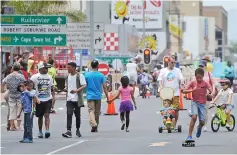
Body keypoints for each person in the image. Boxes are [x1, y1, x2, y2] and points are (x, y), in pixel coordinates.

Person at [183, 68, 212, 140]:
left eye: (200, 77)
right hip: (194, 102)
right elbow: (184, 91)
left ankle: (199, 127)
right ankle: (189, 136)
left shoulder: (205, 83)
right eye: (197, 77)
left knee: (202, 121)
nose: (199, 79)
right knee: (194, 117)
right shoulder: (192, 82)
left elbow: (210, 89)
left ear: (203, 76)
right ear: (195, 76)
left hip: (202, 104)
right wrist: (192, 90)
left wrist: (209, 94)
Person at [158, 56, 184, 131]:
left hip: (175, 93)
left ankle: (174, 125)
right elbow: (160, 80)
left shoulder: (177, 70)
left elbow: (181, 78)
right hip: (166, 94)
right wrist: (161, 87)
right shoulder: (163, 71)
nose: (173, 64)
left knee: (175, 110)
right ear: (168, 62)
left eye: (174, 62)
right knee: (165, 109)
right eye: (171, 62)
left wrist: (182, 83)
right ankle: (166, 122)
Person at [62, 62, 87, 138]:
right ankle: (69, 131)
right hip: (69, 98)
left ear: (73, 68)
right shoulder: (67, 76)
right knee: (69, 114)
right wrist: (66, 89)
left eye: (69, 67)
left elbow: (84, 85)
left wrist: (76, 90)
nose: (68, 69)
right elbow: (67, 85)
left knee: (77, 115)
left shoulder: (80, 75)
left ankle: (77, 129)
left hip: (77, 99)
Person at [31, 62, 54, 138]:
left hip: (48, 99)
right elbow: (29, 85)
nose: (47, 69)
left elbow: (51, 88)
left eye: (47, 68)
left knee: (47, 115)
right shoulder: (34, 77)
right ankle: (40, 131)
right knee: (40, 117)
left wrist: (53, 99)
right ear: (40, 68)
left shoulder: (50, 77)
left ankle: (47, 131)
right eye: (45, 68)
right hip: (39, 100)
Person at [85, 60, 109, 132]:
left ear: (91, 66)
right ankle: (95, 127)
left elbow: (83, 85)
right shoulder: (101, 75)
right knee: (97, 112)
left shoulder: (87, 75)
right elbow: (105, 87)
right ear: (98, 66)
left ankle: (94, 125)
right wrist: (107, 97)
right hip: (98, 96)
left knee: (91, 111)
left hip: (90, 95)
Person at [3, 62, 25, 131]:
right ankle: (18, 126)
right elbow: (25, 82)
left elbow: (4, 82)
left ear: (12, 68)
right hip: (19, 95)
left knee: (12, 111)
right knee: (19, 110)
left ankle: (11, 126)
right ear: (19, 68)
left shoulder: (8, 76)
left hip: (11, 95)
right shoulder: (21, 76)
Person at [199, 60, 216, 132]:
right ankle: (200, 122)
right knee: (199, 110)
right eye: (200, 66)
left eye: (202, 66)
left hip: (207, 95)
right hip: (199, 95)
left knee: (205, 111)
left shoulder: (209, 74)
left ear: (205, 67)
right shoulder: (197, 74)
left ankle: (205, 125)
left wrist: (213, 90)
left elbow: (213, 83)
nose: (201, 67)